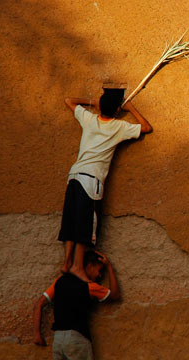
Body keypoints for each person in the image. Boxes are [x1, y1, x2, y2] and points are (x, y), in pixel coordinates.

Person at [59, 90, 152, 282]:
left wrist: (93, 102)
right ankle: (77, 266)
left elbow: (69, 99)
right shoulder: (118, 127)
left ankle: (66, 262)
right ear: (117, 109)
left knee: (72, 219)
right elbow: (146, 128)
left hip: (74, 175)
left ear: (101, 106)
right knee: (85, 223)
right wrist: (130, 107)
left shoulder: (89, 119)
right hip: (92, 180)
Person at [33, 249, 120, 360]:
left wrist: (37, 334)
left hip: (58, 339)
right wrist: (110, 267)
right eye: (98, 271)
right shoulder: (89, 287)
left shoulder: (60, 282)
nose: (98, 275)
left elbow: (38, 304)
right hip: (78, 339)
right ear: (89, 265)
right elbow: (115, 294)